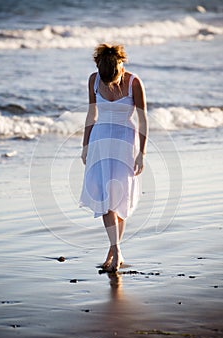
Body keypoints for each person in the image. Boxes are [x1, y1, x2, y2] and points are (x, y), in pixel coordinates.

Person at [79, 43, 148, 272]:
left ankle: (114, 248)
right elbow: (92, 113)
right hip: (100, 141)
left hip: (125, 141)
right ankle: (116, 248)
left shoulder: (134, 82)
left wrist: (142, 153)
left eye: (114, 78)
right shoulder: (93, 79)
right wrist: (85, 144)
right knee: (105, 195)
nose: (111, 84)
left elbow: (143, 120)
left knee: (119, 197)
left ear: (120, 67)